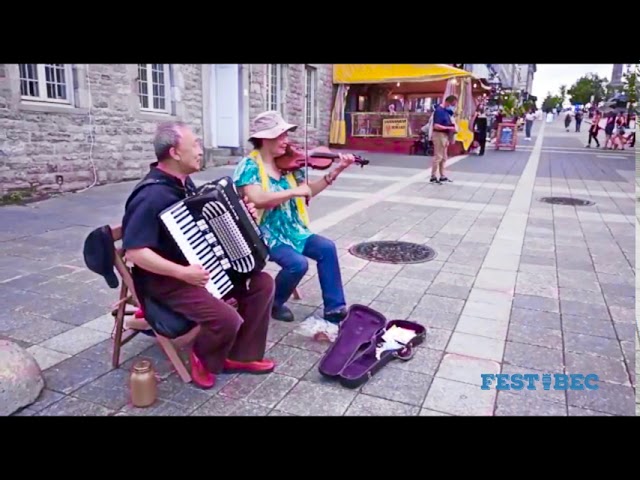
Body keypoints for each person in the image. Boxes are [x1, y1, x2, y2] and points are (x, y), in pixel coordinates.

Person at [121, 121, 275, 389]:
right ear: (174, 153)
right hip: (167, 282)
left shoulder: (183, 184)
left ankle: (241, 355)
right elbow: (135, 251)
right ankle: (203, 357)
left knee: (263, 283)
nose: (201, 150)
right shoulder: (151, 195)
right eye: (195, 145)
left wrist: (243, 219)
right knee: (226, 318)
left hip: (202, 268)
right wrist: (181, 272)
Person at [233, 110, 356, 325]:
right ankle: (274, 303)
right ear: (264, 138)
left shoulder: (288, 163)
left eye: (285, 135)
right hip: (264, 234)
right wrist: (292, 192)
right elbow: (257, 198)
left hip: (293, 229)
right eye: (281, 136)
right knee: (297, 264)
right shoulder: (249, 166)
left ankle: (335, 308)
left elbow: (307, 191)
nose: (286, 141)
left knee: (326, 248)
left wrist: (335, 171)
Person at [430, 95, 458, 184]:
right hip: (439, 135)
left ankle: (442, 175)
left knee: (444, 157)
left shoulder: (446, 111)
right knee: (438, 156)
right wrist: (448, 128)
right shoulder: (439, 111)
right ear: (448, 102)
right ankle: (433, 176)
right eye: (453, 104)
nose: (453, 106)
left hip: (445, 136)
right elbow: (436, 125)